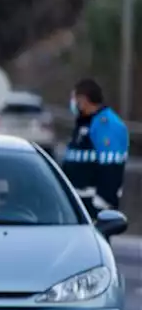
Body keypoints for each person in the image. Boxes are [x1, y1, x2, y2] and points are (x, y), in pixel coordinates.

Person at [61, 79, 130, 216]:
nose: (73, 103)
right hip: (78, 201)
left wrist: (102, 203)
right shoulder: (84, 122)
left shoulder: (106, 124)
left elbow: (112, 167)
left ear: (84, 99)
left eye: (75, 99)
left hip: (93, 204)